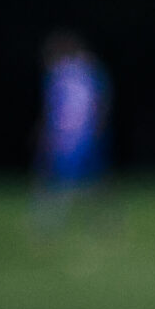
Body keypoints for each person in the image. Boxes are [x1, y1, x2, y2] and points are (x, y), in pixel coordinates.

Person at [31, 29, 112, 228]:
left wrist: (97, 126)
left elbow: (99, 101)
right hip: (66, 134)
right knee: (64, 177)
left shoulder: (83, 72)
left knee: (85, 179)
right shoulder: (60, 74)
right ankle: (52, 218)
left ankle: (101, 219)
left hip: (78, 134)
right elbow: (53, 107)